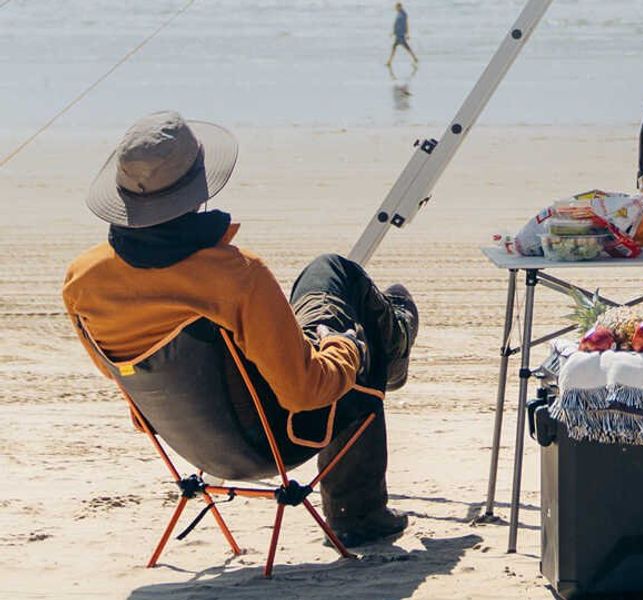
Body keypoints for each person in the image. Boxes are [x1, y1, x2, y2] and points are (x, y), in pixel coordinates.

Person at [62, 111, 418, 547]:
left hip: (190, 441)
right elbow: (305, 393)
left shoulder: (83, 279)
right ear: (198, 187)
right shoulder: (237, 275)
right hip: (276, 441)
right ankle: (360, 507)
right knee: (337, 280)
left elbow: (122, 372)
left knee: (329, 279)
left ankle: (393, 334)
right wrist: (348, 349)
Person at [387, 2, 418, 70]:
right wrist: (393, 32)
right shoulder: (399, 13)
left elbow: (405, 24)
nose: (396, 8)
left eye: (397, 7)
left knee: (396, 47)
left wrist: (407, 33)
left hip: (400, 35)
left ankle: (389, 61)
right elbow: (397, 24)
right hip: (398, 34)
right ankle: (415, 58)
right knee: (404, 47)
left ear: (400, 7)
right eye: (396, 7)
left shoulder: (403, 14)